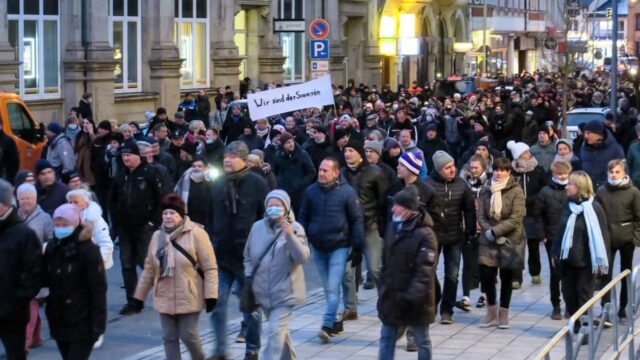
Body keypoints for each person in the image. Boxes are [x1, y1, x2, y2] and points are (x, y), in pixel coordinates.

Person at [133, 194, 218, 360]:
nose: (168, 216)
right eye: (165, 213)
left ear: (181, 215)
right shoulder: (157, 236)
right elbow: (149, 269)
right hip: (164, 295)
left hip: (189, 294)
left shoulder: (196, 233)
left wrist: (211, 295)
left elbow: (210, 268)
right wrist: (139, 297)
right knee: (169, 338)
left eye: (172, 213)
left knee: (189, 336)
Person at [209, 141, 269, 360]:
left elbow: (266, 219)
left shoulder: (258, 183)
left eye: (232, 156)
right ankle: (220, 349)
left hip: (248, 256)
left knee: (250, 307)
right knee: (216, 303)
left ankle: (252, 349)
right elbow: (208, 214)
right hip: (222, 254)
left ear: (243, 159)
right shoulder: (216, 183)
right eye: (225, 155)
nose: (227, 159)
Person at [298, 157, 364, 343]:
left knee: (333, 287)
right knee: (328, 288)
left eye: (325, 170)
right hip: (318, 247)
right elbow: (303, 216)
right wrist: (301, 238)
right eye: (320, 169)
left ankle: (326, 325)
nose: (321, 173)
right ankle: (336, 321)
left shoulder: (347, 193)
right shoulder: (311, 191)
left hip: (339, 246)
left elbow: (357, 219)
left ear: (336, 173)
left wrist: (358, 246)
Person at [244, 190, 310, 359]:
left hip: (285, 292)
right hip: (263, 292)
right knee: (280, 332)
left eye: (277, 205)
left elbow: (303, 257)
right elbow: (248, 255)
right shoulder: (257, 227)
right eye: (270, 205)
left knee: (274, 331)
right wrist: (249, 273)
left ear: (286, 207)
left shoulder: (296, 228)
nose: (273, 208)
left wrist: (290, 236)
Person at [378, 187, 438, 360]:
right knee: (386, 339)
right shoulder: (393, 228)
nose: (392, 209)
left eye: (396, 206)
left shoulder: (425, 234)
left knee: (422, 341)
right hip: (392, 296)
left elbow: (425, 272)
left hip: (416, 300)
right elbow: (386, 263)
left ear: (408, 209)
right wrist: (383, 288)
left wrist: (410, 295)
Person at [552, 171, 609, 341]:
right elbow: (560, 229)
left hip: (587, 261)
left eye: (570, 184)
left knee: (584, 296)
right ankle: (575, 325)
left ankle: (585, 330)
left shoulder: (595, 207)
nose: (567, 186)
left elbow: (603, 236)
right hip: (568, 259)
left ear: (580, 187)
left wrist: (602, 263)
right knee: (568, 294)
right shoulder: (567, 205)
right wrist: (555, 252)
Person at [110, 141, 165, 315]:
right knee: (127, 265)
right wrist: (116, 224)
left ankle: (164, 295)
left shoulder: (150, 172)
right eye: (123, 155)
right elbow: (112, 200)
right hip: (125, 228)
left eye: (128, 155)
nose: (125, 158)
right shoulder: (120, 175)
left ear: (137, 155)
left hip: (144, 227)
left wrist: (153, 223)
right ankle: (133, 301)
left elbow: (160, 200)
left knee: (147, 264)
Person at [426, 150, 475, 324]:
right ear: (439, 170)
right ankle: (433, 301)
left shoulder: (461, 185)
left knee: (452, 274)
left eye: (453, 166)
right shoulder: (428, 184)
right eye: (447, 168)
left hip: (454, 236)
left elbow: (469, 209)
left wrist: (470, 230)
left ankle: (447, 310)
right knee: (429, 272)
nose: (452, 170)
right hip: (433, 236)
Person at [341, 139, 388, 320]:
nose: (347, 154)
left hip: (369, 226)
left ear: (360, 153)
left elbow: (383, 201)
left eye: (351, 150)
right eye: (345, 151)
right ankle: (350, 307)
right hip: (347, 228)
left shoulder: (375, 172)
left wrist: (379, 223)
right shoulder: (342, 173)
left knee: (375, 268)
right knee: (347, 271)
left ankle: (386, 302)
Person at [477, 157, 526, 329]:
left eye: (503, 170)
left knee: (506, 276)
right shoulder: (485, 189)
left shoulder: (516, 190)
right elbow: (481, 215)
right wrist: (488, 231)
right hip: (488, 238)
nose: (499, 173)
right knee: (487, 275)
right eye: (496, 169)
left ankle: (503, 313)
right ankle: (491, 311)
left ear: (509, 172)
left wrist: (496, 231)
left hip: (511, 238)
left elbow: (516, 217)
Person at [596, 160, 640, 324]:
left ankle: (623, 309)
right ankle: (605, 309)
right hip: (607, 238)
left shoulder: (633, 192)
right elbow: (597, 214)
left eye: (617, 172)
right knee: (605, 275)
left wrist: (635, 238)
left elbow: (638, 216)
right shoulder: (602, 191)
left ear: (624, 173)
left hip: (626, 238)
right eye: (611, 172)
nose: (614, 175)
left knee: (625, 273)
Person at [534, 160, 572, 320]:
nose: (562, 177)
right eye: (559, 174)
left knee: (569, 274)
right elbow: (538, 215)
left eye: (565, 174)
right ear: (553, 174)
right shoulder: (545, 192)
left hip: (571, 238)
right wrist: (542, 234)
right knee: (555, 273)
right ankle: (555, 305)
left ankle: (570, 306)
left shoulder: (573, 190)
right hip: (552, 237)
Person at [14, 183, 50, 351]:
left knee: (31, 303)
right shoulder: (13, 217)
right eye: (22, 198)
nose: (25, 201)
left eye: (28, 198)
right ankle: (36, 337)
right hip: (17, 269)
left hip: (36, 269)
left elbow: (51, 240)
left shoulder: (45, 218)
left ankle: (23, 343)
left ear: (35, 199)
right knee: (28, 304)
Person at [507, 140, 547, 288]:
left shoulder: (538, 170)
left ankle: (535, 272)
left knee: (533, 245)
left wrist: (531, 200)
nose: (528, 155)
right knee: (516, 247)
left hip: (533, 212)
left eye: (528, 152)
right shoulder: (511, 172)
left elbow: (544, 188)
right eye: (524, 153)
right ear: (518, 156)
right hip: (516, 214)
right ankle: (516, 277)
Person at [457, 154, 489, 310]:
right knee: (468, 262)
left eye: (477, 167)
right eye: (472, 167)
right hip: (467, 227)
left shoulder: (488, 184)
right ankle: (466, 296)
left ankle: (484, 294)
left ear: (483, 168)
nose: (474, 170)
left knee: (484, 263)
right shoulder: (464, 184)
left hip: (484, 229)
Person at [66, 189, 114, 270]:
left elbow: (106, 245)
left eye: (76, 202)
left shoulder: (96, 220)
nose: (72, 205)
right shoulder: (66, 218)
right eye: (70, 202)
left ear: (86, 204)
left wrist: (93, 262)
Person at [271, 133, 316, 214]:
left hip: (299, 192)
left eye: (292, 141)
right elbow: (275, 171)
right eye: (288, 142)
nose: (291, 144)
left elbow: (311, 172)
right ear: (283, 144)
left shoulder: (302, 154)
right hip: (283, 191)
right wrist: (279, 181)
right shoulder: (278, 155)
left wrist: (301, 183)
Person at [578, 119, 624, 189]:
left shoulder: (616, 149)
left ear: (598, 134)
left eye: (588, 133)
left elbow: (622, 172)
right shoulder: (584, 148)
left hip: (607, 191)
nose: (585, 136)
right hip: (587, 189)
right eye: (585, 133)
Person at [174, 157, 213, 231]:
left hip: (207, 217)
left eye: (199, 166)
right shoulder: (185, 179)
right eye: (194, 166)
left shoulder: (211, 179)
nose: (196, 168)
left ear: (206, 167)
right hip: (190, 216)